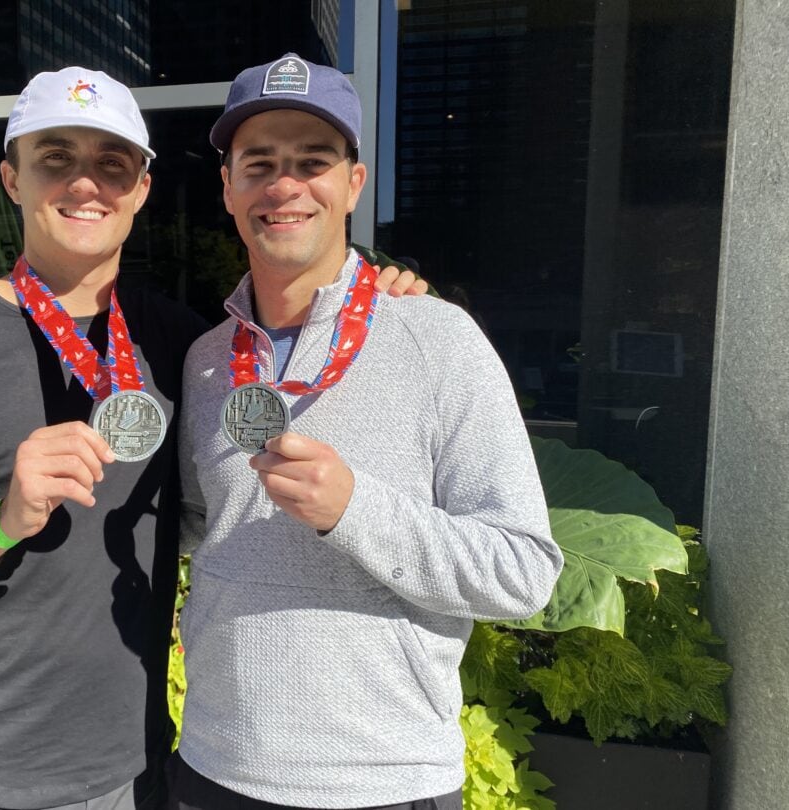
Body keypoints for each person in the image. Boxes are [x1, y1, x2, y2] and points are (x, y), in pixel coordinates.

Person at [0, 66, 424, 810]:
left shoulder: (185, 346)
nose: (86, 184)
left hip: (143, 768)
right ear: (12, 179)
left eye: (112, 164)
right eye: (56, 159)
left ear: (141, 190)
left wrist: (389, 296)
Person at [175, 54, 564, 810]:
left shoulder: (437, 340)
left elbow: (523, 572)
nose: (284, 185)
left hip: (383, 781)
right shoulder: (205, 361)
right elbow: (204, 527)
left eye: (312, 162)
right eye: (259, 164)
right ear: (228, 188)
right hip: (216, 766)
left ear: (352, 183)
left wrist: (357, 510)